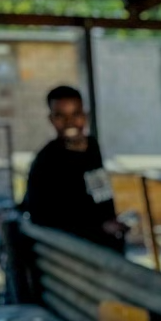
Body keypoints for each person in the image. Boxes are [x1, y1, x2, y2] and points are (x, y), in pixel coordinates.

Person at [21, 86, 126, 253]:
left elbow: (99, 192)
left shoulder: (92, 147)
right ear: (51, 119)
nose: (69, 122)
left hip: (108, 247)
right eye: (60, 116)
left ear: (85, 116)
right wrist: (99, 227)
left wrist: (111, 222)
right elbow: (41, 216)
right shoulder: (46, 161)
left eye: (75, 114)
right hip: (74, 255)